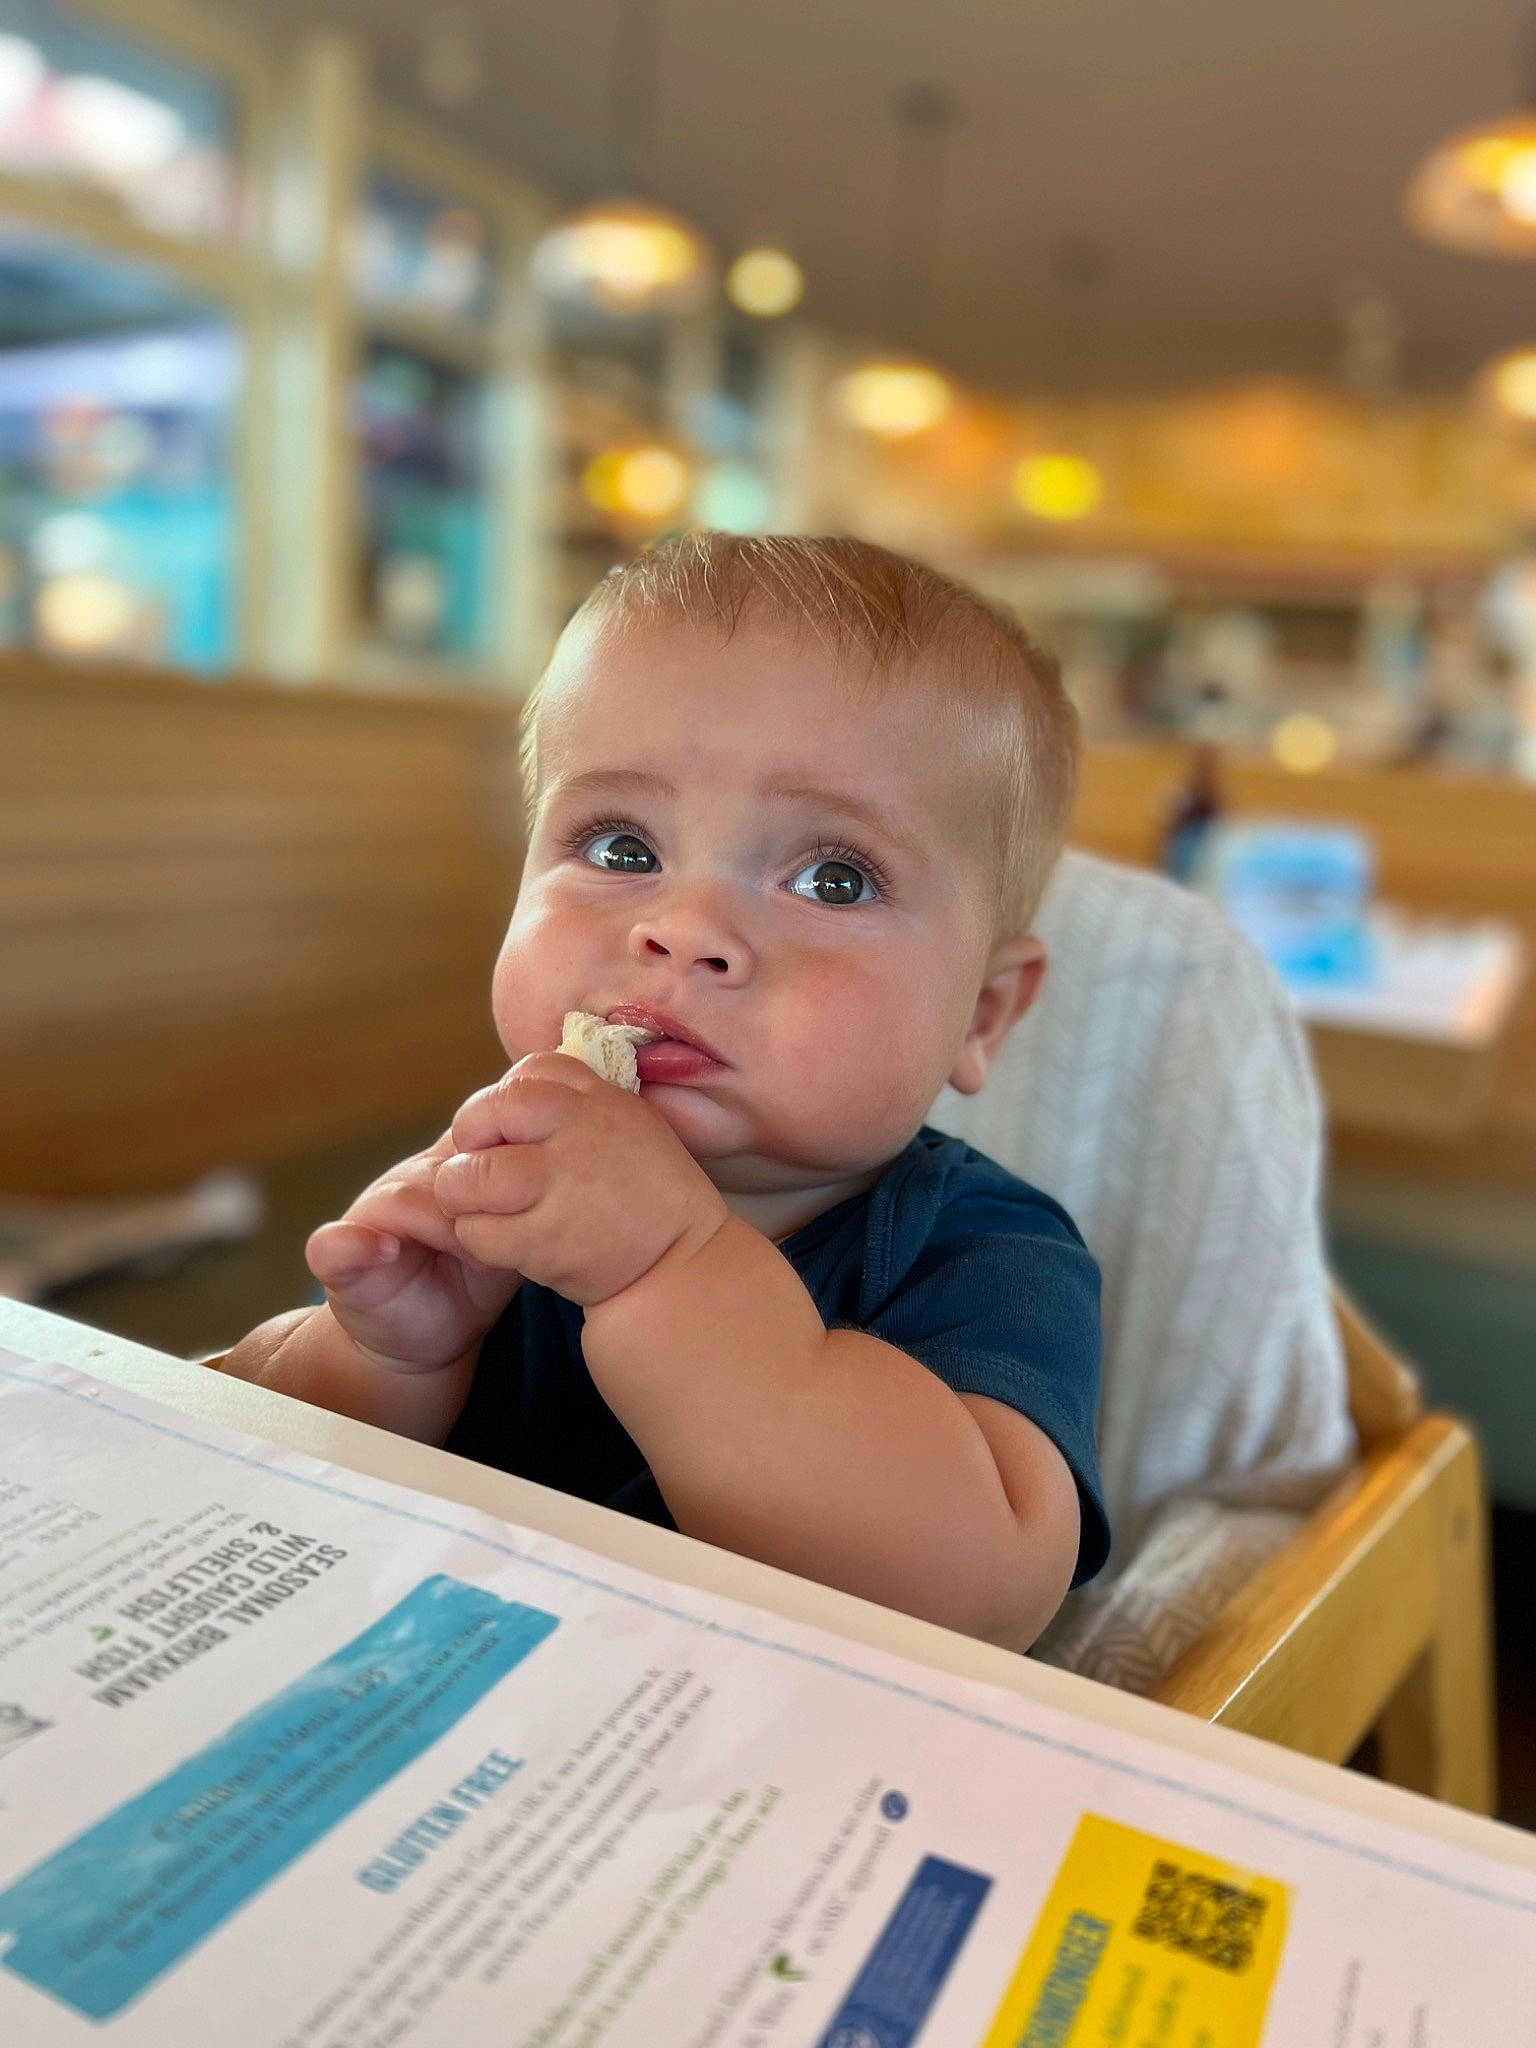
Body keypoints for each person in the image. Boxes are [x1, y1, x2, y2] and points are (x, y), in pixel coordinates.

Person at [223, 534, 1107, 1650]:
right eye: (622, 847)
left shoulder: (982, 1251)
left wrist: (667, 1269)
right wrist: (383, 1358)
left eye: (833, 878)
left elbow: (980, 1591)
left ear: (980, 1012)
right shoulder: (500, 1184)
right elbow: (226, 1457)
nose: (683, 929)